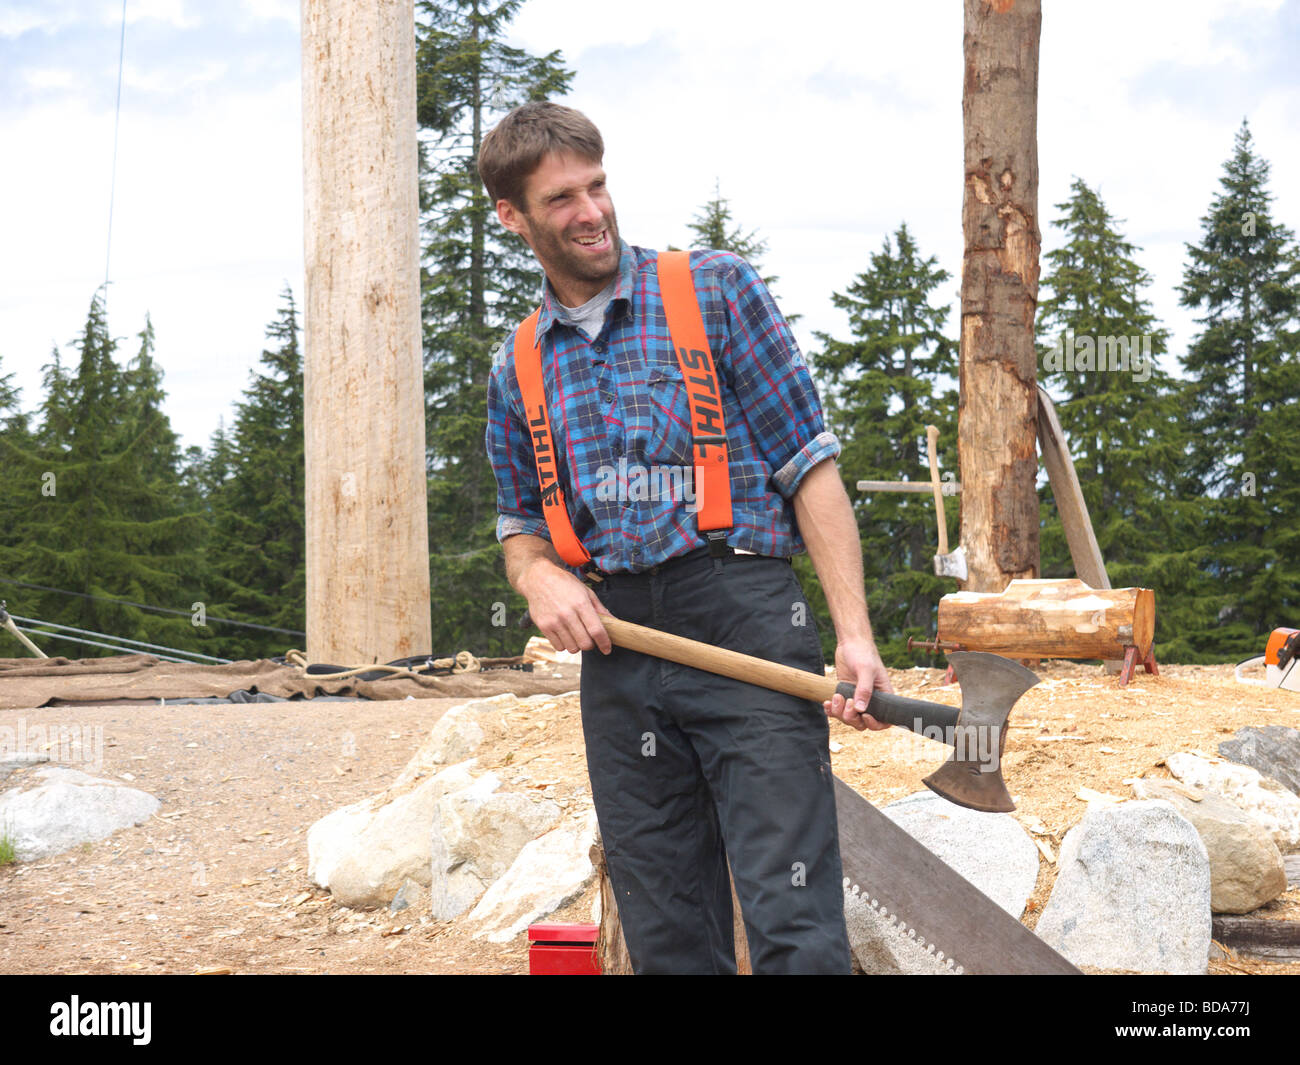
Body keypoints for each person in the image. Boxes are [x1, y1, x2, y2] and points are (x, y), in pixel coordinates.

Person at [481, 101, 893, 974]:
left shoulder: (712, 289)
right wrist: (537, 580)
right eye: (562, 199)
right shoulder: (517, 363)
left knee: (793, 923)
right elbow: (520, 527)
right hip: (618, 644)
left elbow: (808, 465)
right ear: (512, 217)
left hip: (742, 614)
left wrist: (854, 632)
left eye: (597, 186)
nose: (591, 212)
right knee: (667, 936)